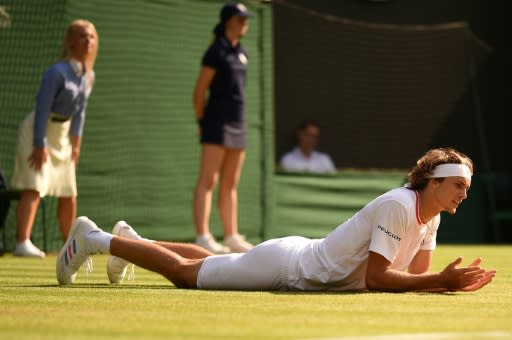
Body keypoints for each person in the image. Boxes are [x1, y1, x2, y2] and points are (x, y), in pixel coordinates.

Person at [57, 147, 496, 292]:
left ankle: (133, 239)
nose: (464, 192)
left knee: (208, 259)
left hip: (297, 256)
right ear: (433, 182)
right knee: (186, 275)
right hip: (288, 267)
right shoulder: (399, 205)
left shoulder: (430, 215)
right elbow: (382, 278)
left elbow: (414, 277)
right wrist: (439, 280)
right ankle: (94, 238)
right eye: (458, 185)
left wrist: (442, 280)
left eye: (466, 188)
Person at [10, 19, 98, 257]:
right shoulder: (56, 72)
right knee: (34, 187)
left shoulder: (88, 76)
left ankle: (71, 245)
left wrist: (76, 145)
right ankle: (22, 242)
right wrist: (39, 143)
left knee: (69, 192)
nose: (87, 40)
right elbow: (42, 108)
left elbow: (79, 113)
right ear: (70, 41)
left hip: (62, 137)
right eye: (82, 36)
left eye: (91, 36)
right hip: (37, 131)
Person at [191, 3, 254, 254]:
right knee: (208, 180)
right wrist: (203, 123)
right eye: (239, 19)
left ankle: (231, 236)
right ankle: (202, 236)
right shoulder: (215, 51)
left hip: (238, 122)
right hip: (216, 123)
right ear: (228, 21)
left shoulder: (243, 52)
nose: (244, 23)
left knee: (230, 184)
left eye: (245, 19)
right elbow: (199, 92)